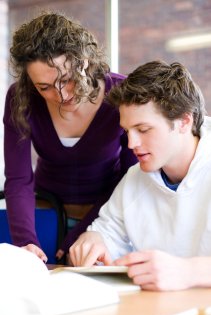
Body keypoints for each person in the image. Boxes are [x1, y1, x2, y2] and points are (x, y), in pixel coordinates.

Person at [3, 12, 137, 263]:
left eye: (67, 80)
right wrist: (26, 242)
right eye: (44, 87)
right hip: (47, 214)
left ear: (84, 62)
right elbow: (19, 179)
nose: (61, 95)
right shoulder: (20, 98)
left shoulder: (121, 94)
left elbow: (131, 179)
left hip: (108, 220)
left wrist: (82, 229)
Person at [69, 60, 211, 291]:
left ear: (184, 121)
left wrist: (188, 272)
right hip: (158, 314)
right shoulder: (136, 178)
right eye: (127, 131)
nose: (132, 143)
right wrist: (95, 240)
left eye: (143, 130)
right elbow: (107, 231)